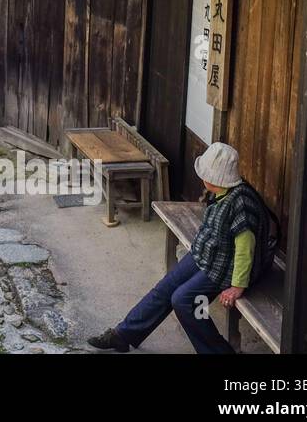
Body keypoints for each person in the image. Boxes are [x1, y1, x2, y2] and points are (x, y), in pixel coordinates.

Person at [88, 142, 275, 354]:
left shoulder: (241, 203)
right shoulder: (221, 192)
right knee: (166, 287)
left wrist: (237, 286)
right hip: (207, 255)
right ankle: (123, 335)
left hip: (226, 269)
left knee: (184, 300)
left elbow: (245, 250)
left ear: (213, 177)